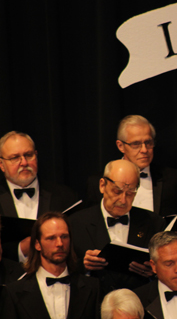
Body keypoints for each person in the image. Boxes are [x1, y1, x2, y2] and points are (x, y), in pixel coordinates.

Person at [69, 159, 166, 293]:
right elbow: (64, 268)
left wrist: (154, 271)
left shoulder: (154, 223)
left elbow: (167, 269)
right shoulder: (76, 223)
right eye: (117, 191)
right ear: (102, 185)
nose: (123, 200)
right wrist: (84, 265)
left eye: (130, 193)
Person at [1, 212, 100, 318]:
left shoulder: (92, 287)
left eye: (64, 237)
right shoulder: (14, 292)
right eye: (51, 238)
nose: (60, 243)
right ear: (37, 244)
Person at [0, 131, 79, 261]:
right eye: (15, 158)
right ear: (2, 164)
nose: (24, 163)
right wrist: (20, 249)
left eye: (28, 155)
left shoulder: (64, 196)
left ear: (36, 156)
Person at [86, 115, 177, 216]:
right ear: (121, 146)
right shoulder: (98, 183)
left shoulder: (173, 179)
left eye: (148, 142)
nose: (144, 150)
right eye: (136, 144)